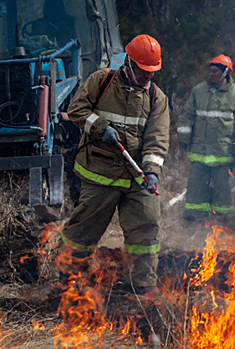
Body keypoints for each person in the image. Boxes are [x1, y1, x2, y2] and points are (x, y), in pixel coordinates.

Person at [58, 34, 170, 294]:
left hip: (136, 177)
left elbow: (157, 138)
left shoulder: (156, 98)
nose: (148, 77)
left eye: (152, 72)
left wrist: (152, 172)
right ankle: (68, 279)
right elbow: (76, 110)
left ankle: (141, 286)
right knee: (84, 229)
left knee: (147, 226)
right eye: (143, 71)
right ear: (129, 64)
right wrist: (99, 127)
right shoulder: (102, 81)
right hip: (100, 173)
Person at [177, 54, 235, 221]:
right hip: (199, 149)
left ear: (225, 72)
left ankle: (222, 221)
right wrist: (184, 137)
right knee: (196, 186)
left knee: (223, 189)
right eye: (210, 70)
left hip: (223, 152)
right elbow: (188, 115)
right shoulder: (199, 91)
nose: (211, 74)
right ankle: (194, 219)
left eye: (215, 71)